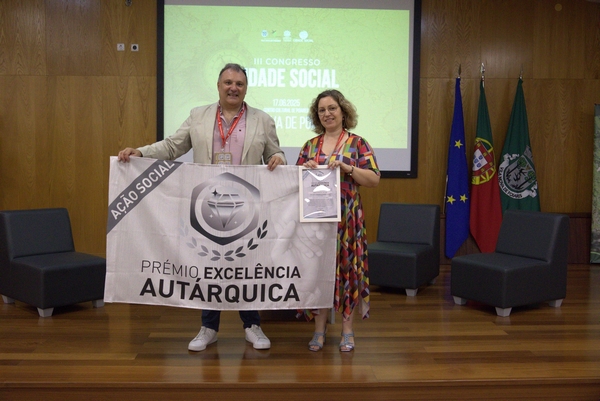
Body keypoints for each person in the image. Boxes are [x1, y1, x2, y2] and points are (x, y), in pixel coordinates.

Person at [117, 63, 286, 352]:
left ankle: (252, 325)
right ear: (218, 86)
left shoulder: (263, 119)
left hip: (247, 203)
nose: (233, 88)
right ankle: (209, 328)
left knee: (247, 266)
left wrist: (279, 158)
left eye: (239, 84)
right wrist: (141, 152)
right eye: (228, 82)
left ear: (246, 88)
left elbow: (275, 152)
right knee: (210, 266)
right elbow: (173, 147)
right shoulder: (198, 115)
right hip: (207, 202)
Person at [296, 89, 380, 352]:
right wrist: (304, 169)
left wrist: (349, 168)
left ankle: (347, 330)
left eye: (332, 108)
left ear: (343, 111)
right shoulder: (309, 146)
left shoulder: (358, 143)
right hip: (316, 222)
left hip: (348, 220)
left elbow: (374, 179)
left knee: (348, 272)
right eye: (321, 110)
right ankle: (319, 330)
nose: (327, 114)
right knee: (318, 273)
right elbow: (294, 181)